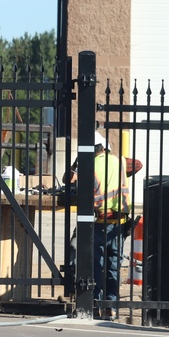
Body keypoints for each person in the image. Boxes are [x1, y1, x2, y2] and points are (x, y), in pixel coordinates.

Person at [65, 131, 130, 321]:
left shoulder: (90, 165)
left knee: (95, 266)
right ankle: (111, 306)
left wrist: (76, 164)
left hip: (100, 220)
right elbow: (138, 164)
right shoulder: (120, 162)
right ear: (104, 148)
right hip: (119, 222)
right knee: (113, 266)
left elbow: (68, 182)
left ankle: (93, 304)